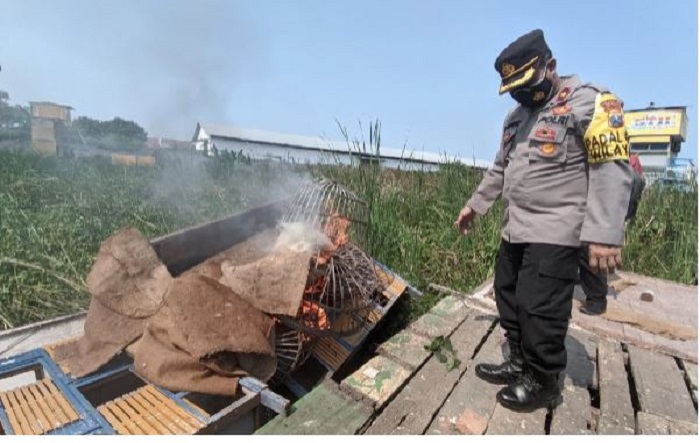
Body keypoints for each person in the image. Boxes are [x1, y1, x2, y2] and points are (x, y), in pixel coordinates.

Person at [454, 29, 634, 411]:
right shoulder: (515, 118)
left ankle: (544, 380)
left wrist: (604, 234)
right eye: (512, 87)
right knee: (508, 295)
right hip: (515, 228)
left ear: (549, 66)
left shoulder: (591, 103)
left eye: (525, 82)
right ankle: (519, 362)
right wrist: (475, 205)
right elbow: (499, 168)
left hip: (557, 231)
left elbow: (612, 168)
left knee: (540, 308)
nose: (520, 93)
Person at [578, 153, 645, 315]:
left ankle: (597, 301)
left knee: (589, 249)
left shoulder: (613, 163)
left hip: (607, 212)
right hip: (614, 209)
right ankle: (592, 292)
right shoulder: (629, 160)